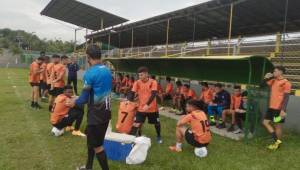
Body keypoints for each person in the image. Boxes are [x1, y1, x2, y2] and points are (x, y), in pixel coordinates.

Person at [72, 45, 112, 170]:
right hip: (106, 112)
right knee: (91, 142)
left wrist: (73, 101)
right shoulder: (107, 70)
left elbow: (83, 99)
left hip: (96, 115)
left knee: (98, 146)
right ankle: (88, 167)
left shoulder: (90, 73)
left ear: (88, 57)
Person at [129, 66, 163, 144]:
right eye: (139, 75)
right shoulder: (137, 82)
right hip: (141, 108)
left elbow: (154, 94)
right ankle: (135, 137)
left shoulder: (153, 82)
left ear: (146, 74)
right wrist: (129, 100)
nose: (139, 77)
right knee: (137, 123)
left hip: (152, 108)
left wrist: (147, 104)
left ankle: (158, 136)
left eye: (141, 75)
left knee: (156, 123)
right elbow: (132, 93)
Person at [262, 66, 291, 150]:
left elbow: (286, 98)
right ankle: (277, 141)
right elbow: (262, 85)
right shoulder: (273, 80)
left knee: (277, 126)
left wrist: (282, 110)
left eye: (275, 71)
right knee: (265, 122)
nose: (273, 72)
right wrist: (265, 77)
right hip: (271, 107)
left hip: (279, 109)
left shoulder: (286, 83)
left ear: (281, 72)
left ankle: (277, 144)